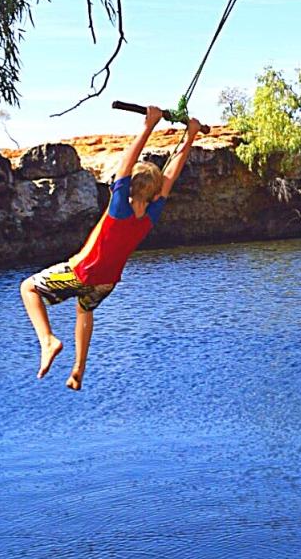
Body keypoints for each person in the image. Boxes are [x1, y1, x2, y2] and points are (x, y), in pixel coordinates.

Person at [20, 107, 202, 390]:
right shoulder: (150, 215)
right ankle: (78, 369)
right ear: (154, 194)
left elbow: (125, 166)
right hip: (106, 282)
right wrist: (189, 137)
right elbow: (170, 178)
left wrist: (148, 126)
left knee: (28, 288)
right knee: (84, 310)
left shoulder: (119, 208)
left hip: (82, 272)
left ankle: (47, 340)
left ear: (128, 188)